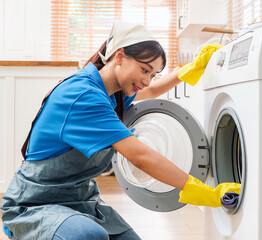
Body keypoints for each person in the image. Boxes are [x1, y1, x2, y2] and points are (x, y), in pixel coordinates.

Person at [1, 21, 240, 240]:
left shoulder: (112, 91)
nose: (147, 80)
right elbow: (141, 156)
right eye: (145, 70)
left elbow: (150, 91)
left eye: (153, 73)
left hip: (80, 200)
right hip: (34, 204)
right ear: (119, 56)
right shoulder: (83, 96)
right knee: (88, 235)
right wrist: (197, 189)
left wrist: (188, 69)